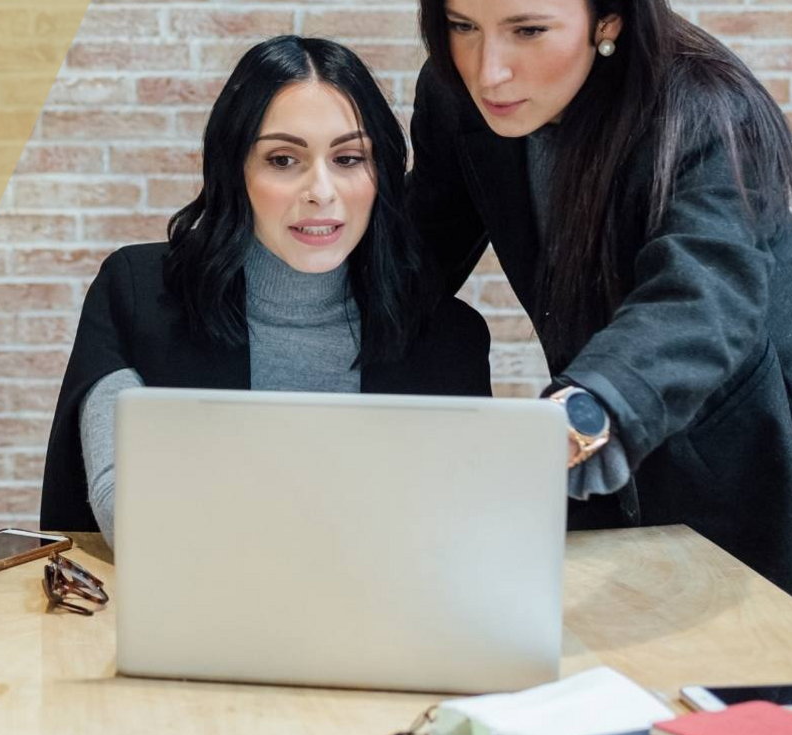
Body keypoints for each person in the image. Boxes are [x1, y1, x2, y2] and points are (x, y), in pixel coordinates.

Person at [407, 0, 792, 627]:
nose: (490, 71)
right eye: (462, 27)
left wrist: (579, 413)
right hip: (610, 411)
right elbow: (415, 258)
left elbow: (698, 299)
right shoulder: (455, 99)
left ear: (607, 15)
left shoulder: (707, 111)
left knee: (769, 686)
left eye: (529, 30)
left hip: (761, 422)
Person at [40, 35, 492, 547]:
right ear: (236, 170)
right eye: (282, 159)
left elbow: (456, 536)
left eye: (348, 159)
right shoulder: (137, 294)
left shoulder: (450, 338)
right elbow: (132, 513)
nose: (321, 192)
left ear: (381, 174)